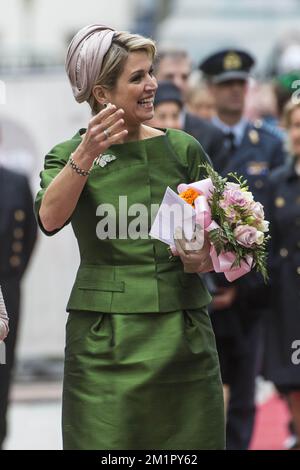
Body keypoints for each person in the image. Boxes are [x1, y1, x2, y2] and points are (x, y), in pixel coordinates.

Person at [35, 24, 225, 450]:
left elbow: (219, 239)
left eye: (151, 72)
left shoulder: (183, 149)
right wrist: (87, 154)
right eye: (137, 77)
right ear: (101, 93)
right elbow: (49, 219)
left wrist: (205, 256)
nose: (153, 84)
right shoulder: (67, 155)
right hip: (103, 340)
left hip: (183, 334)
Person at [199, 48, 286, 450]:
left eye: (240, 84)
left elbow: (273, 226)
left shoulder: (268, 146)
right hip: (204, 296)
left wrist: (242, 284)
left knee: (245, 399)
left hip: (250, 296)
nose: (234, 92)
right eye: (225, 85)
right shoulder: (193, 143)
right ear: (212, 90)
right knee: (203, 395)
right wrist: (214, 284)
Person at [264, 99, 300, 450]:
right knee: (293, 379)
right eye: (296, 125)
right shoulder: (278, 182)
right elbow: (268, 241)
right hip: (289, 297)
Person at [0, 166, 37, 449]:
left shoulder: (15, 181)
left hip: (4, 289)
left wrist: (11, 280)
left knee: (1, 363)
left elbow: (28, 237)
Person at [154, 49, 225, 159]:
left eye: (184, 77)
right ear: (153, 78)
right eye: (169, 76)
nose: (178, 83)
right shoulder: (136, 129)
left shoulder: (210, 134)